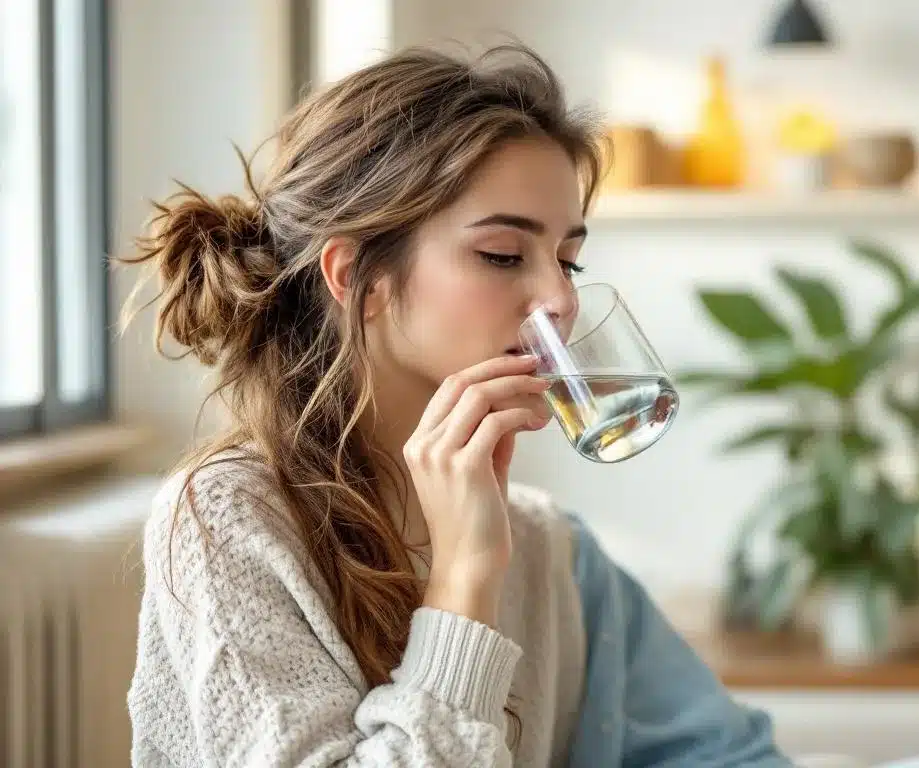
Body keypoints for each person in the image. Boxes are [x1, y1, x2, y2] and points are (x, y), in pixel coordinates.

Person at [120, 43, 792, 767]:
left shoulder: (548, 546)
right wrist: (466, 576)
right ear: (357, 278)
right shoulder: (227, 519)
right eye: (504, 255)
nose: (561, 301)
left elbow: (732, 754)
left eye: (569, 260)